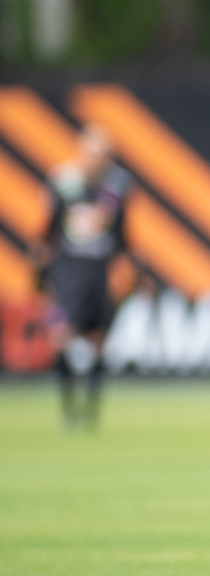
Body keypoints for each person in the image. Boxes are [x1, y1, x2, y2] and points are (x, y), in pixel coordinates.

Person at [34, 124, 130, 431]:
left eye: (105, 154)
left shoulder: (118, 186)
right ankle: (68, 409)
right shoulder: (62, 182)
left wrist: (128, 271)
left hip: (100, 273)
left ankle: (90, 411)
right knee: (62, 336)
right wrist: (42, 273)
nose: (99, 160)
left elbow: (122, 236)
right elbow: (48, 232)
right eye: (94, 153)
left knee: (99, 339)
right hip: (68, 272)